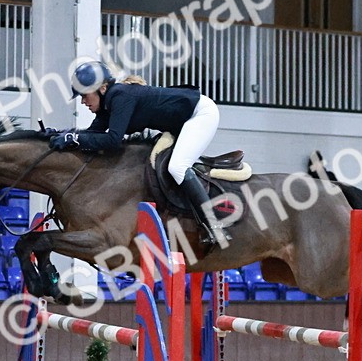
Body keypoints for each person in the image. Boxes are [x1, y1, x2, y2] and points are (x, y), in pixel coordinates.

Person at [49, 61, 229, 247]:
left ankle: (215, 225)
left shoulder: (120, 96)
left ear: (102, 88)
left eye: (85, 96)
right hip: (182, 121)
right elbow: (92, 134)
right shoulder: (107, 104)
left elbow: (113, 140)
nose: (83, 102)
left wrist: (73, 138)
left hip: (200, 114)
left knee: (177, 167)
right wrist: (61, 134)